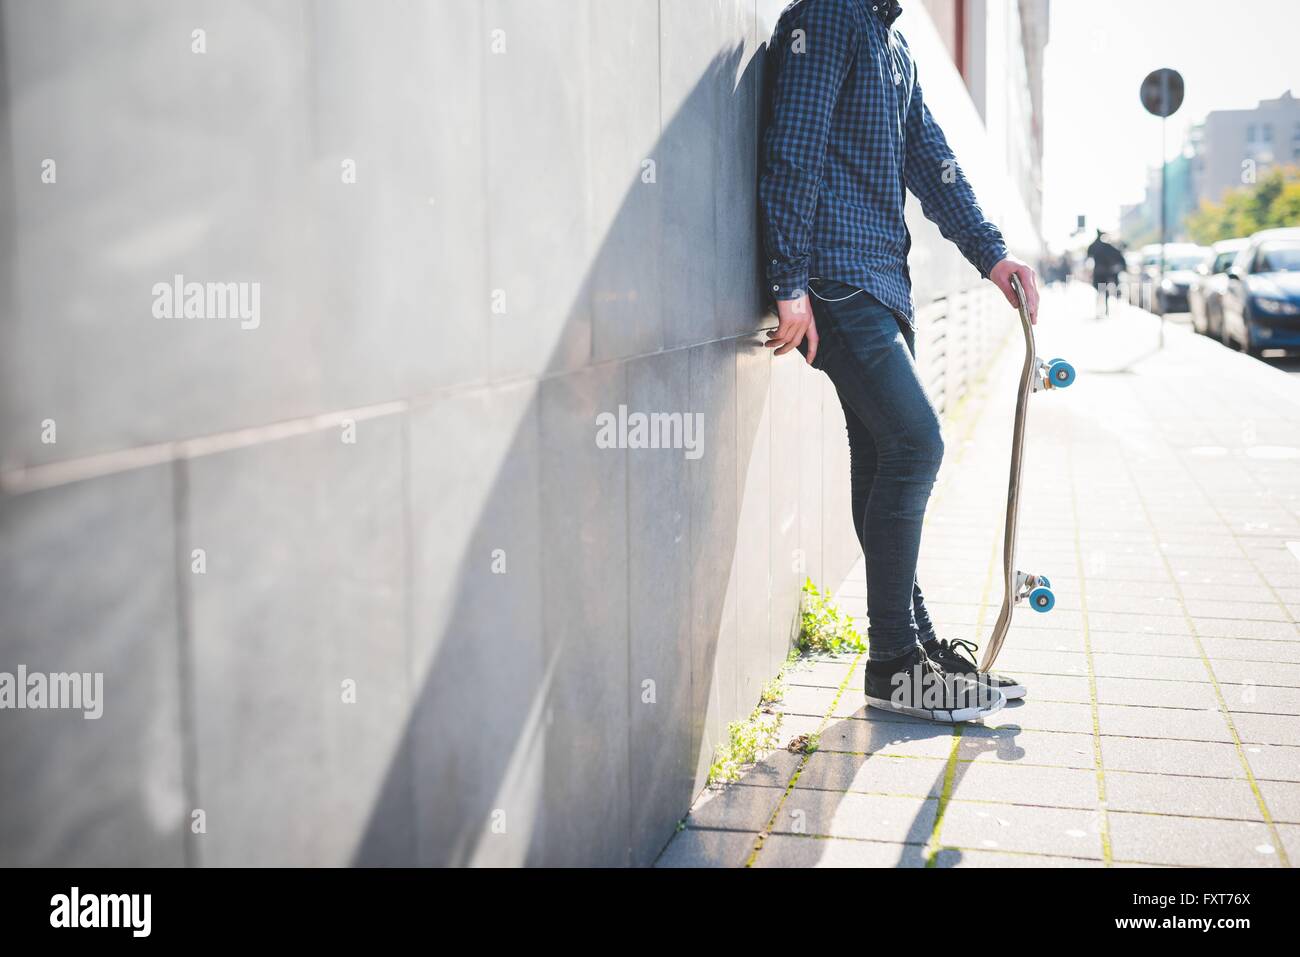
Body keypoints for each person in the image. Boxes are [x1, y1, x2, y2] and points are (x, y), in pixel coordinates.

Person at [759, 0, 1035, 722]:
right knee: (917, 440)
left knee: (885, 454)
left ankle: (913, 644)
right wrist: (788, 282)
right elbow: (793, 144)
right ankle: (892, 663)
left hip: (880, 281)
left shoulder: (894, 45)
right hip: (834, 277)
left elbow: (934, 165)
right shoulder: (828, 15)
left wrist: (992, 253)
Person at [1086, 230, 1126, 317]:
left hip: (1102, 274)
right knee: (1102, 292)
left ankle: (1104, 309)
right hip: (1103, 274)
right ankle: (1103, 309)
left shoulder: (1100, 246)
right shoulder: (1105, 247)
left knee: (1101, 292)